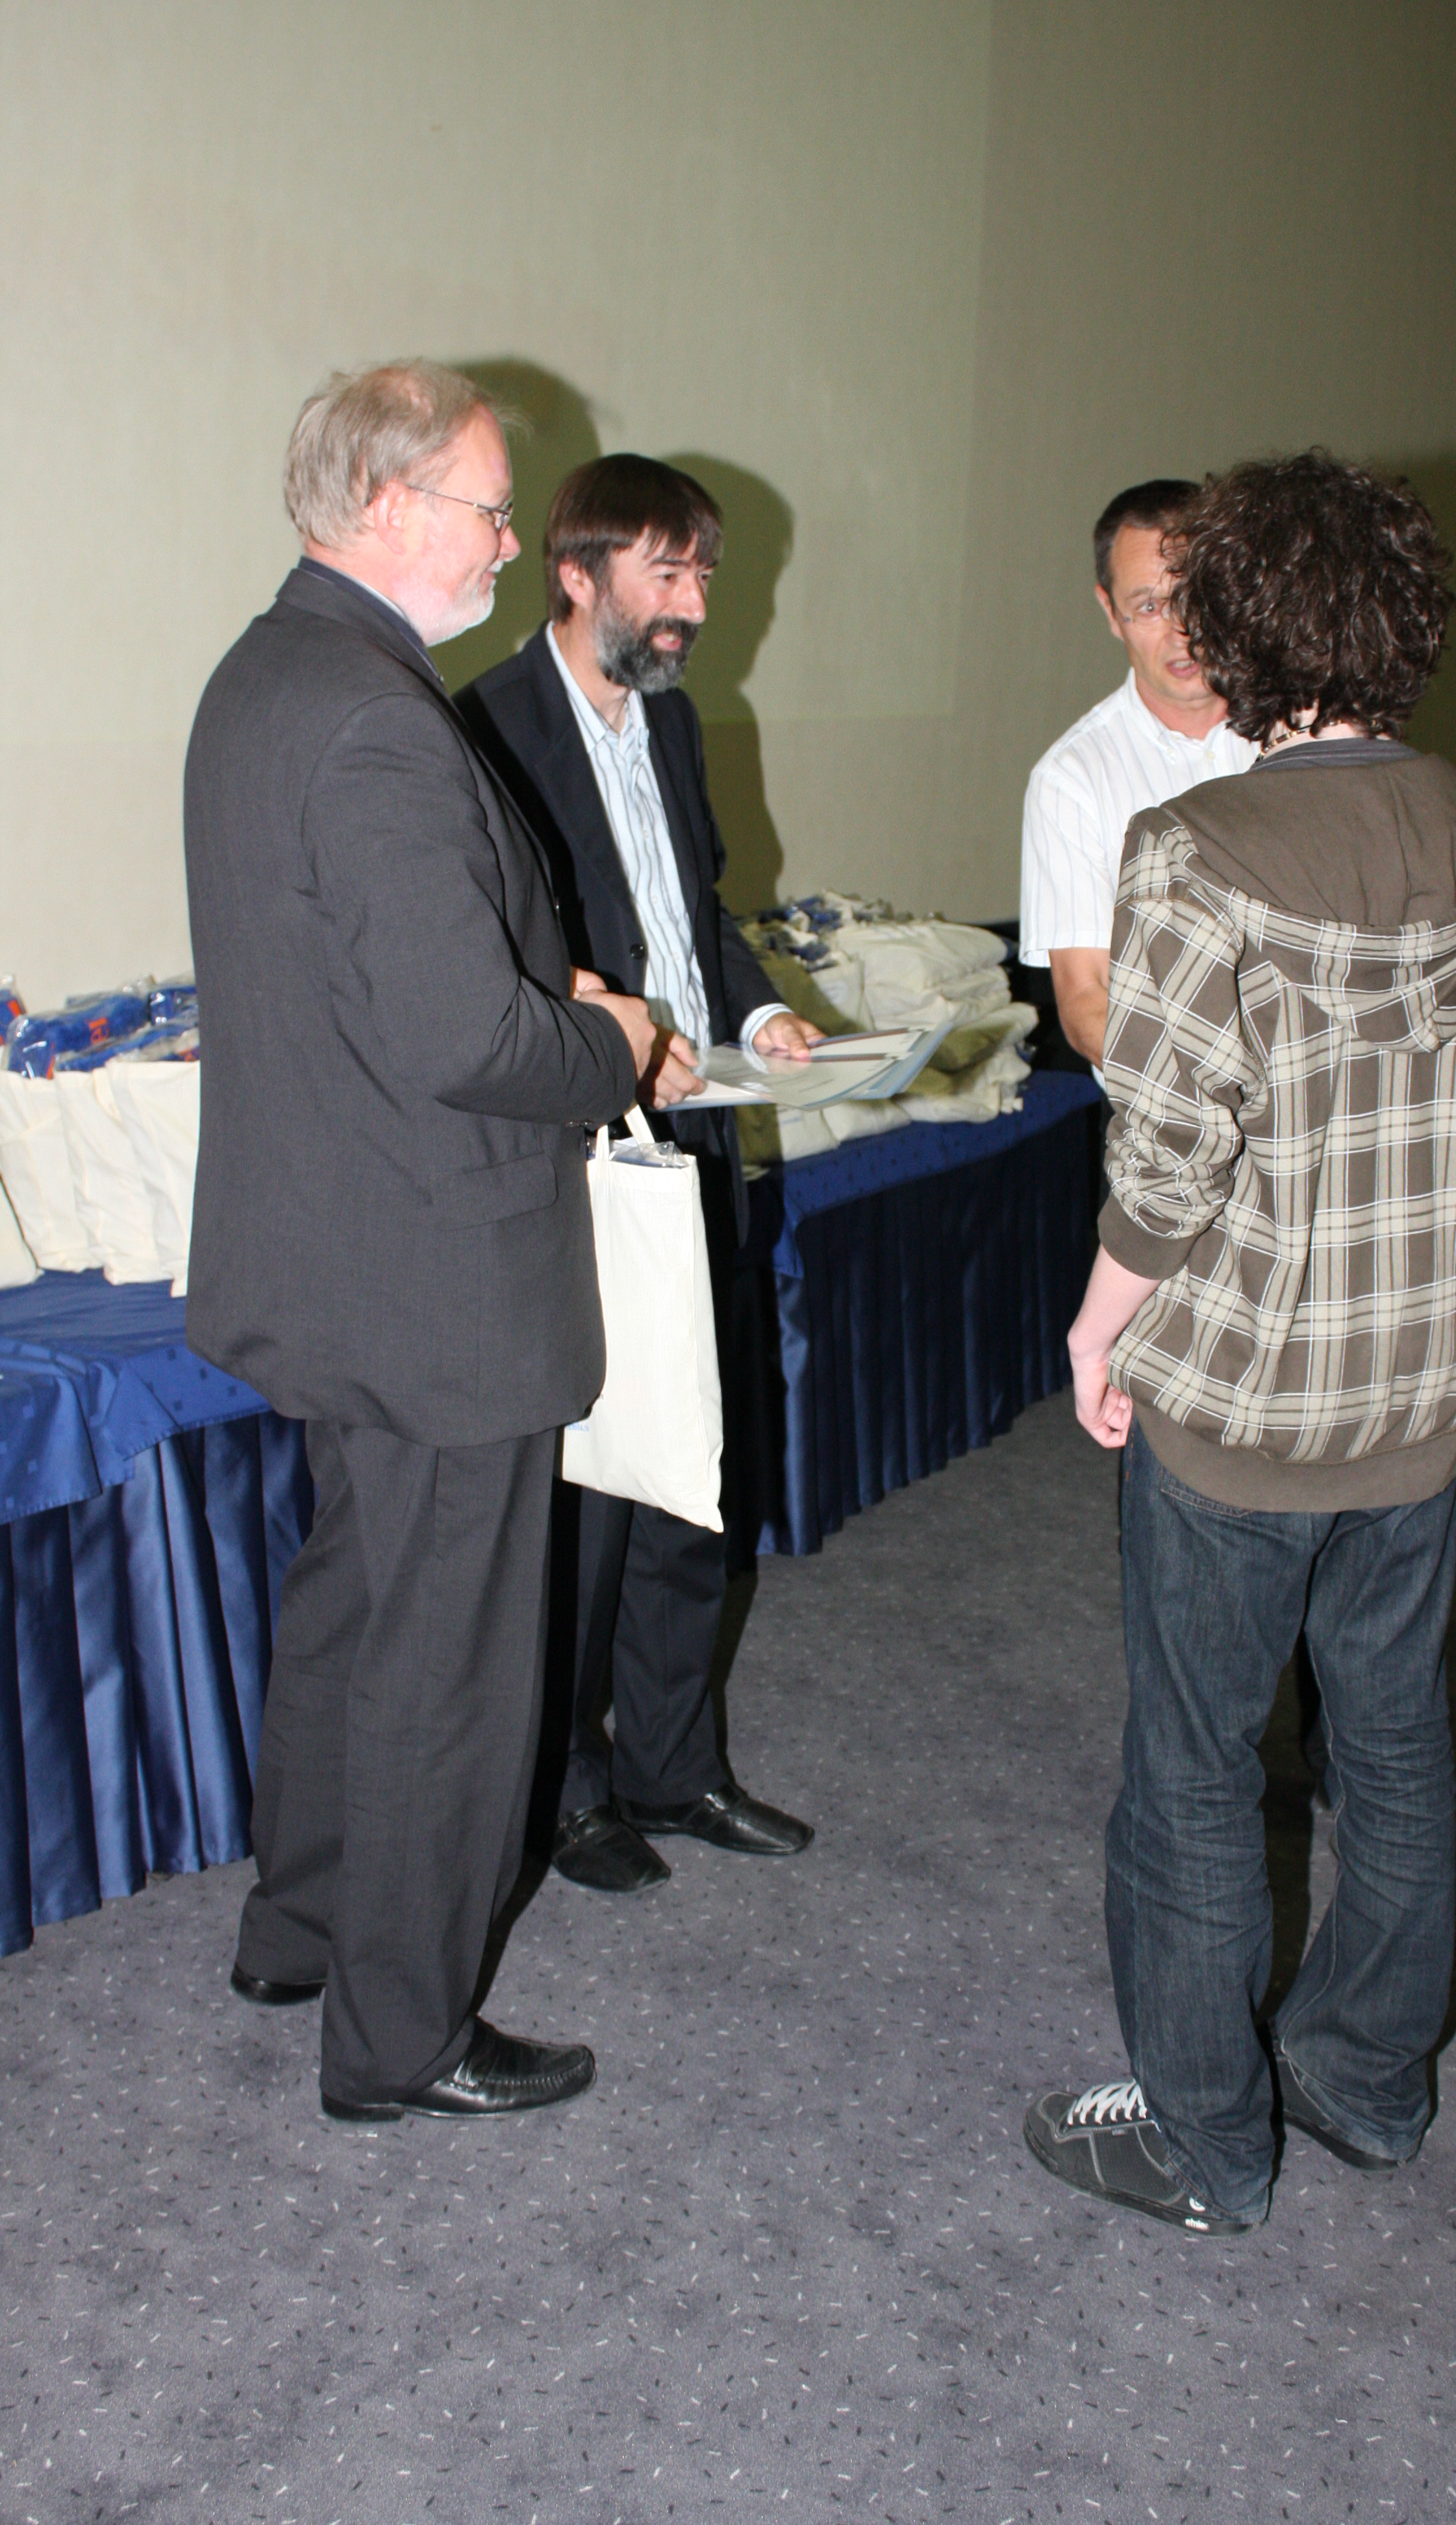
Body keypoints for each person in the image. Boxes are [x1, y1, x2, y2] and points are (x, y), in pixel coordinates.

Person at [1024, 450, 1456, 2235]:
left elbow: (1169, 1157)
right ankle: (1366, 2082)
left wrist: (1098, 1327)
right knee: (1393, 1745)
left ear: (1242, 630)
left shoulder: (1195, 849)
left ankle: (1204, 2140)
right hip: (1421, 1398)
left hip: (1242, 1405)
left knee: (1194, 1768)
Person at [185, 362, 656, 2123]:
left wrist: (536, 990)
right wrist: (609, 1040)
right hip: (437, 1279)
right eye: (487, 506)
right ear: (387, 504)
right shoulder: (379, 714)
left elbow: (367, 978)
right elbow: (463, 1036)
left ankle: (299, 1928)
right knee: (445, 1663)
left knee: (349, 1606)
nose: (509, 542)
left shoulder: (266, 673)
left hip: (331, 1254)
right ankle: (402, 2037)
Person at [460, 455, 818, 1897]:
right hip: (581, 1155)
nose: (694, 606)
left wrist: (757, 1009)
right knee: (590, 1499)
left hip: (699, 1137)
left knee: (690, 1471)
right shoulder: (485, 727)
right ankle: (565, 1789)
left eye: (704, 577)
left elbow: (694, 912)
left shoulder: (673, 722)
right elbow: (496, 965)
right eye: (667, 575)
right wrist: (622, 1041)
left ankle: (675, 1765)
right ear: (576, 572)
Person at [1019, 479, 1257, 1068]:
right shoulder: (1072, 779)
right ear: (1111, 612)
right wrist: (1215, 1091)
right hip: (1169, 1110)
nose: (1182, 632)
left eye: (1195, 596)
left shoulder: (1306, 730)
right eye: (1149, 606)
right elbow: (1086, 1002)